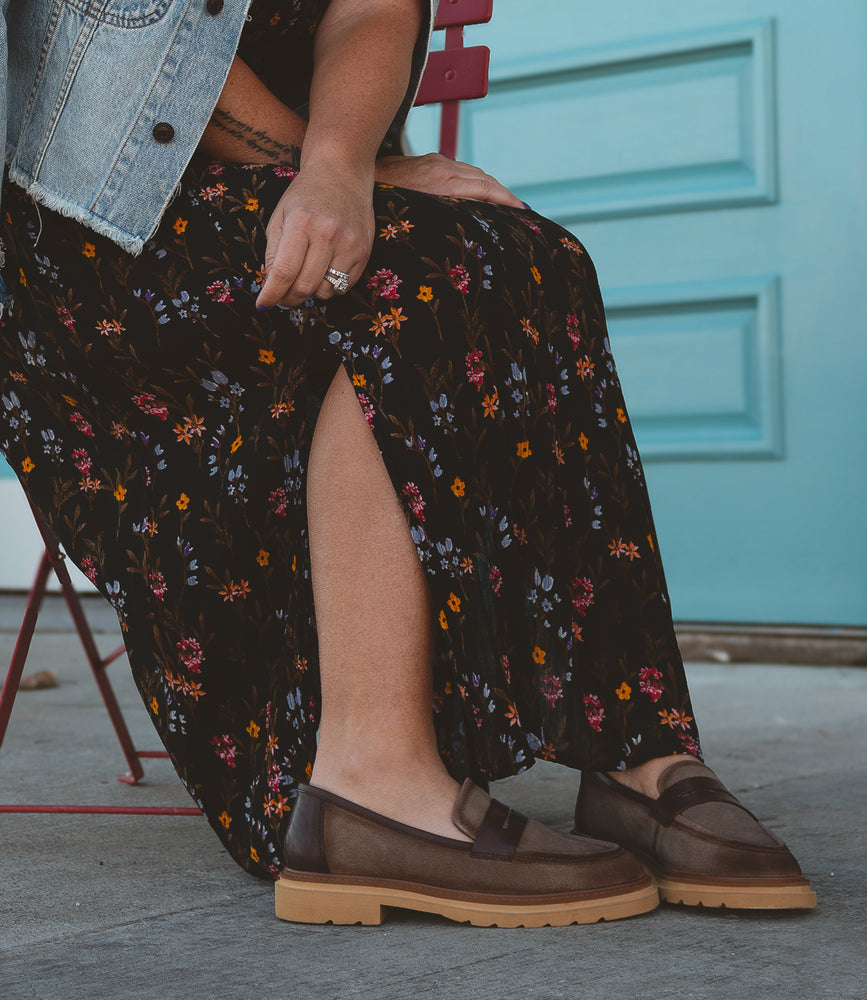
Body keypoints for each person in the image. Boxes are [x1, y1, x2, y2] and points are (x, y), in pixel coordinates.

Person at [0, 0, 815, 926]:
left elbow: (371, 8)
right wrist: (341, 171)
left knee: (540, 258)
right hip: (112, 226)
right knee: (414, 278)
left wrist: (342, 164)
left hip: (302, 169)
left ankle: (631, 744)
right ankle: (368, 783)